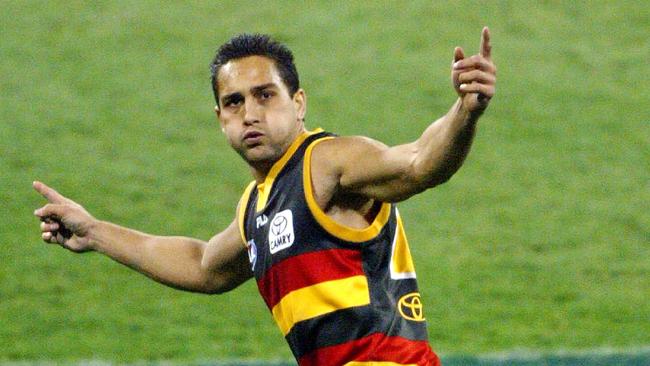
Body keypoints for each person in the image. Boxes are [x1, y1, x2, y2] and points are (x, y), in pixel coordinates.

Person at [34, 28, 496, 365]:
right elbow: (203, 266)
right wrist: (94, 232)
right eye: (234, 102)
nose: (250, 113)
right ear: (220, 118)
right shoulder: (257, 205)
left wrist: (464, 111)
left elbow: (419, 162)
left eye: (265, 95)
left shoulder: (326, 162)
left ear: (298, 103)